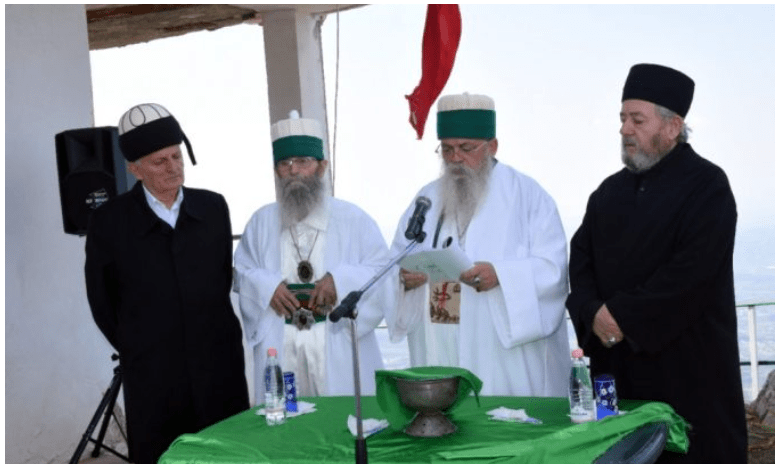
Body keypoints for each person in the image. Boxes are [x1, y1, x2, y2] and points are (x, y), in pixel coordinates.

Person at [566, 64, 747, 463]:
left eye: (637, 120)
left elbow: (691, 275)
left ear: (672, 126)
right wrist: (593, 312)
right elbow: (580, 262)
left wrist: (621, 318)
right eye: (622, 119)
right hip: (615, 371)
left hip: (688, 374)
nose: (624, 130)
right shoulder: (607, 192)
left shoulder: (708, 186)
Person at [84, 103, 249, 463]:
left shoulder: (213, 208)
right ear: (134, 168)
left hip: (218, 363)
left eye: (177, 156)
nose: (173, 167)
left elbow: (221, 277)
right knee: (162, 455)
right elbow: (101, 299)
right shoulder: (109, 222)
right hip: (153, 372)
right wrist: (138, 343)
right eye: (160, 161)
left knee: (229, 453)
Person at [388, 92, 570, 396]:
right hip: (439, 343)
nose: (455, 158)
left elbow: (553, 271)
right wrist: (404, 280)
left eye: (466, 148)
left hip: (500, 354)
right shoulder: (426, 198)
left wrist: (500, 275)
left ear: (492, 146)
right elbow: (396, 259)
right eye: (447, 149)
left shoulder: (527, 196)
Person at [234, 111, 390, 403]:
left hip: (337, 349)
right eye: (285, 163)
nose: (293, 171)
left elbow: (384, 271)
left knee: (340, 423)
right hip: (280, 348)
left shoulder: (354, 219)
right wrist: (267, 287)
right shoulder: (260, 222)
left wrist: (340, 281)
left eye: (303, 162)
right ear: (276, 171)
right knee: (287, 421)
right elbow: (240, 273)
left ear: (321, 168)